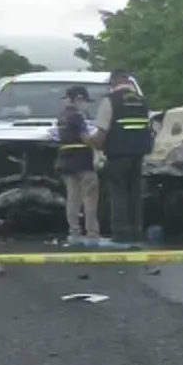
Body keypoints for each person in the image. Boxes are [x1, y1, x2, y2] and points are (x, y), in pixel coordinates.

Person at [85, 70, 151, 248]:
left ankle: (121, 235)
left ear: (113, 82)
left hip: (117, 154)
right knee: (135, 194)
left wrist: (90, 142)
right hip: (139, 155)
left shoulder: (110, 100)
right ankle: (137, 232)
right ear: (128, 81)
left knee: (118, 193)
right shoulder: (142, 101)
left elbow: (102, 132)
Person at [57, 86, 100, 247]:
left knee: (73, 199)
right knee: (90, 198)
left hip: (66, 162)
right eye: (85, 101)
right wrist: (99, 139)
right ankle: (92, 234)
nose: (86, 105)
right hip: (83, 162)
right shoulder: (77, 117)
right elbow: (86, 139)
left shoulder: (61, 116)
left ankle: (74, 233)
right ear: (78, 100)